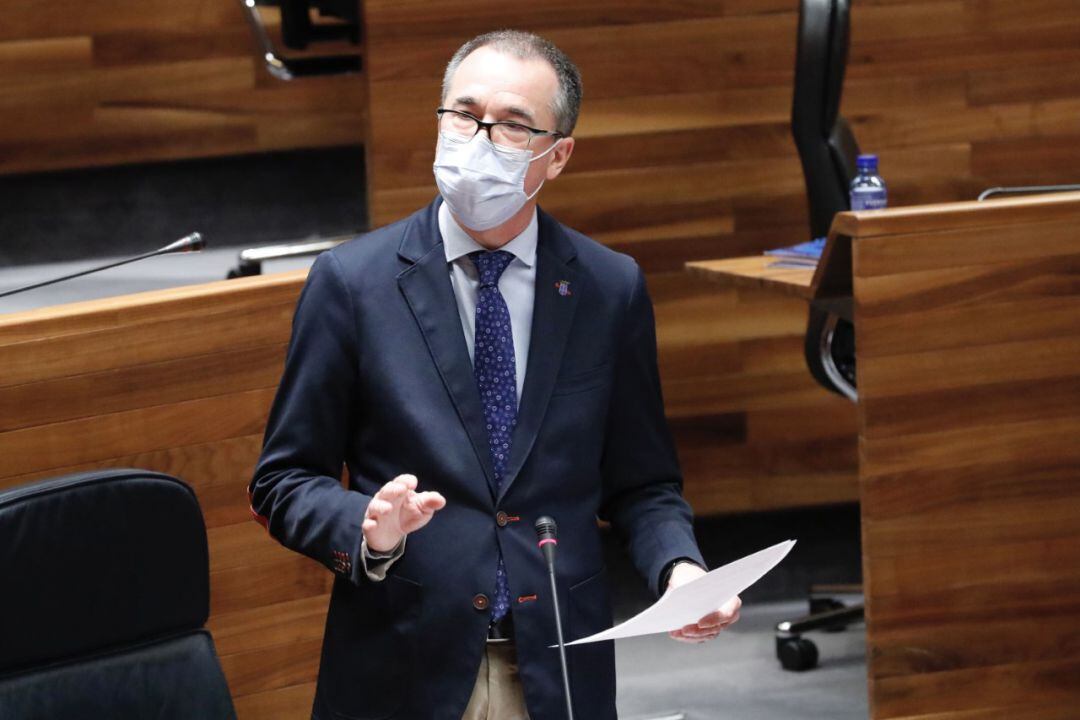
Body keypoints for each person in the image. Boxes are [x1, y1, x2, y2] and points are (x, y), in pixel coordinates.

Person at [248, 29, 741, 720]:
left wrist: (680, 569)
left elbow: (643, 482)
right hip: (404, 663)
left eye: (512, 124)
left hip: (559, 666)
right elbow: (282, 479)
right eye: (463, 112)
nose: (478, 138)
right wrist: (368, 526)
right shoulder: (352, 283)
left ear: (557, 154)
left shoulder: (609, 287)